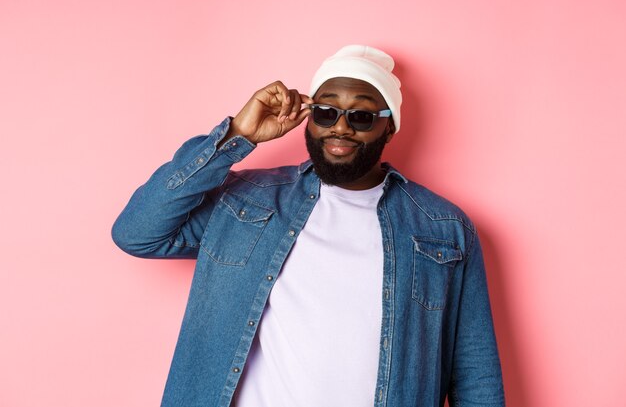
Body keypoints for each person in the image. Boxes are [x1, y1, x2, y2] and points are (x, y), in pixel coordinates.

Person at [112, 45, 505, 407]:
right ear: (309, 117)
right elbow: (138, 233)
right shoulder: (248, 199)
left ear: (389, 127)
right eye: (326, 111)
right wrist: (237, 136)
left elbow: (475, 373)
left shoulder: (444, 228)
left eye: (362, 116)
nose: (341, 127)